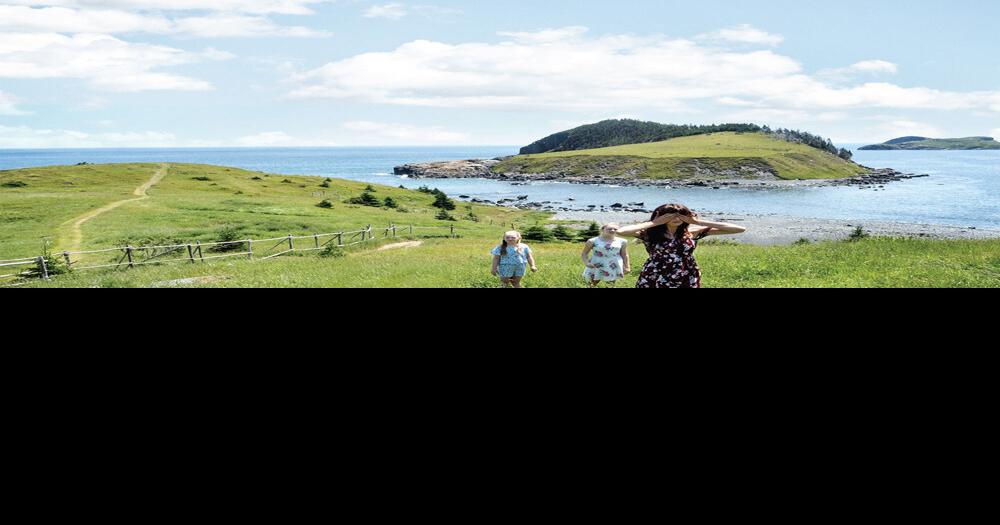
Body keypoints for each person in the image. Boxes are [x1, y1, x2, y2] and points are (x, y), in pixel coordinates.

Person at [617, 204, 746, 289]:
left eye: (680, 215)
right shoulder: (649, 234)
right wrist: (654, 223)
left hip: (686, 272)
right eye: (670, 215)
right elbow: (621, 231)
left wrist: (698, 222)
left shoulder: (691, 232)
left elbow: (739, 229)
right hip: (656, 272)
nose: (676, 218)